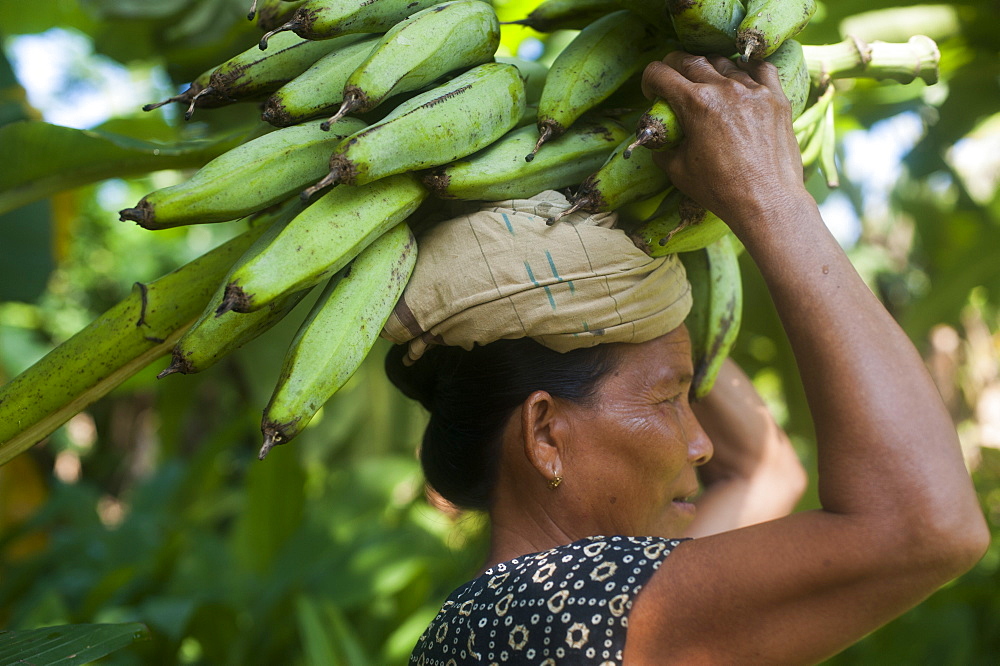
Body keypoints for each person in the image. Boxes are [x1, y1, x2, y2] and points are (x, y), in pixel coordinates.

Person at [384, 51, 989, 665]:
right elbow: (927, 524)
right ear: (543, 432)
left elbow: (765, 470)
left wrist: (654, 289)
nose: (702, 444)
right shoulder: (560, 605)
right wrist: (768, 197)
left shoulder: (508, 616)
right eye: (670, 400)